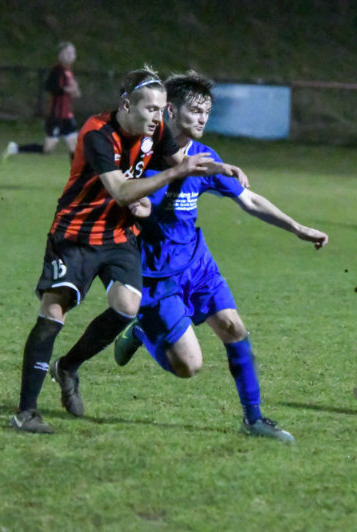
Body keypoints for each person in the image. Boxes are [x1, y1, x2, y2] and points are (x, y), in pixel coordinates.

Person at [10, 66, 245, 433]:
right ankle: (26, 413)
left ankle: (68, 366)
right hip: (76, 234)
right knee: (54, 310)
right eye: (151, 109)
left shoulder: (157, 131)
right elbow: (121, 191)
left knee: (127, 306)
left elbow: (180, 163)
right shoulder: (97, 133)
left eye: (161, 110)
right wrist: (173, 175)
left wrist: (220, 168)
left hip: (119, 235)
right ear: (126, 105)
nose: (158, 117)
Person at [108, 71, 329, 442]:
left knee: (233, 327)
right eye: (195, 111)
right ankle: (141, 332)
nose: (202, 119)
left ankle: (253, 420)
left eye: (207, 112)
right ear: (170, 111)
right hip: (156, 273)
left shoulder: (204, 157)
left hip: (197, 264)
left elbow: (249, 199)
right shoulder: (141, 158)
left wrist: (297, 228)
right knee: (188, 367)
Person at [3, 42, 82, 160]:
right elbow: (50, 87)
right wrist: (67, 89)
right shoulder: (56, 71)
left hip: (67, 116)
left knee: (75, 147)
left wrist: (75, 90)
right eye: (67, 53)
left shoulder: (69, 72)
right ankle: (15, 148)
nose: (71, 55)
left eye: (72, 53)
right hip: (56, 115)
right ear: (60, 55)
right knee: (47, 148)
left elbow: (75, 93)